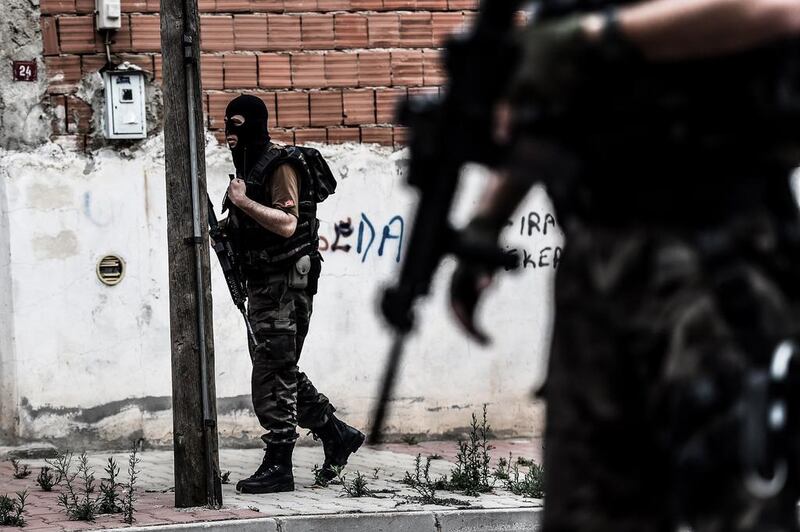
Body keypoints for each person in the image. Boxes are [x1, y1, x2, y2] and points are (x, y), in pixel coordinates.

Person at [450, 1, 800, 530]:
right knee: (588, 509)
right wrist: (487, 221)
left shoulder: (590, 32)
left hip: (716, 255)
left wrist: (598, 38)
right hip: (595, 260)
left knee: (734, 503)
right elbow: (544, 105)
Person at [221, 94, 364, 494]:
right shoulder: (248, 167)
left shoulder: (279, 164)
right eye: (226, 124)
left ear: (253, 123)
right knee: (278, 366)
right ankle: (335, 433)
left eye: (236, 123)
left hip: (285, 285)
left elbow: (286, 224)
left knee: (273, 370)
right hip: (265, 285)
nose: (229, 133)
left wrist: (242, 202)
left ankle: (279, 464)